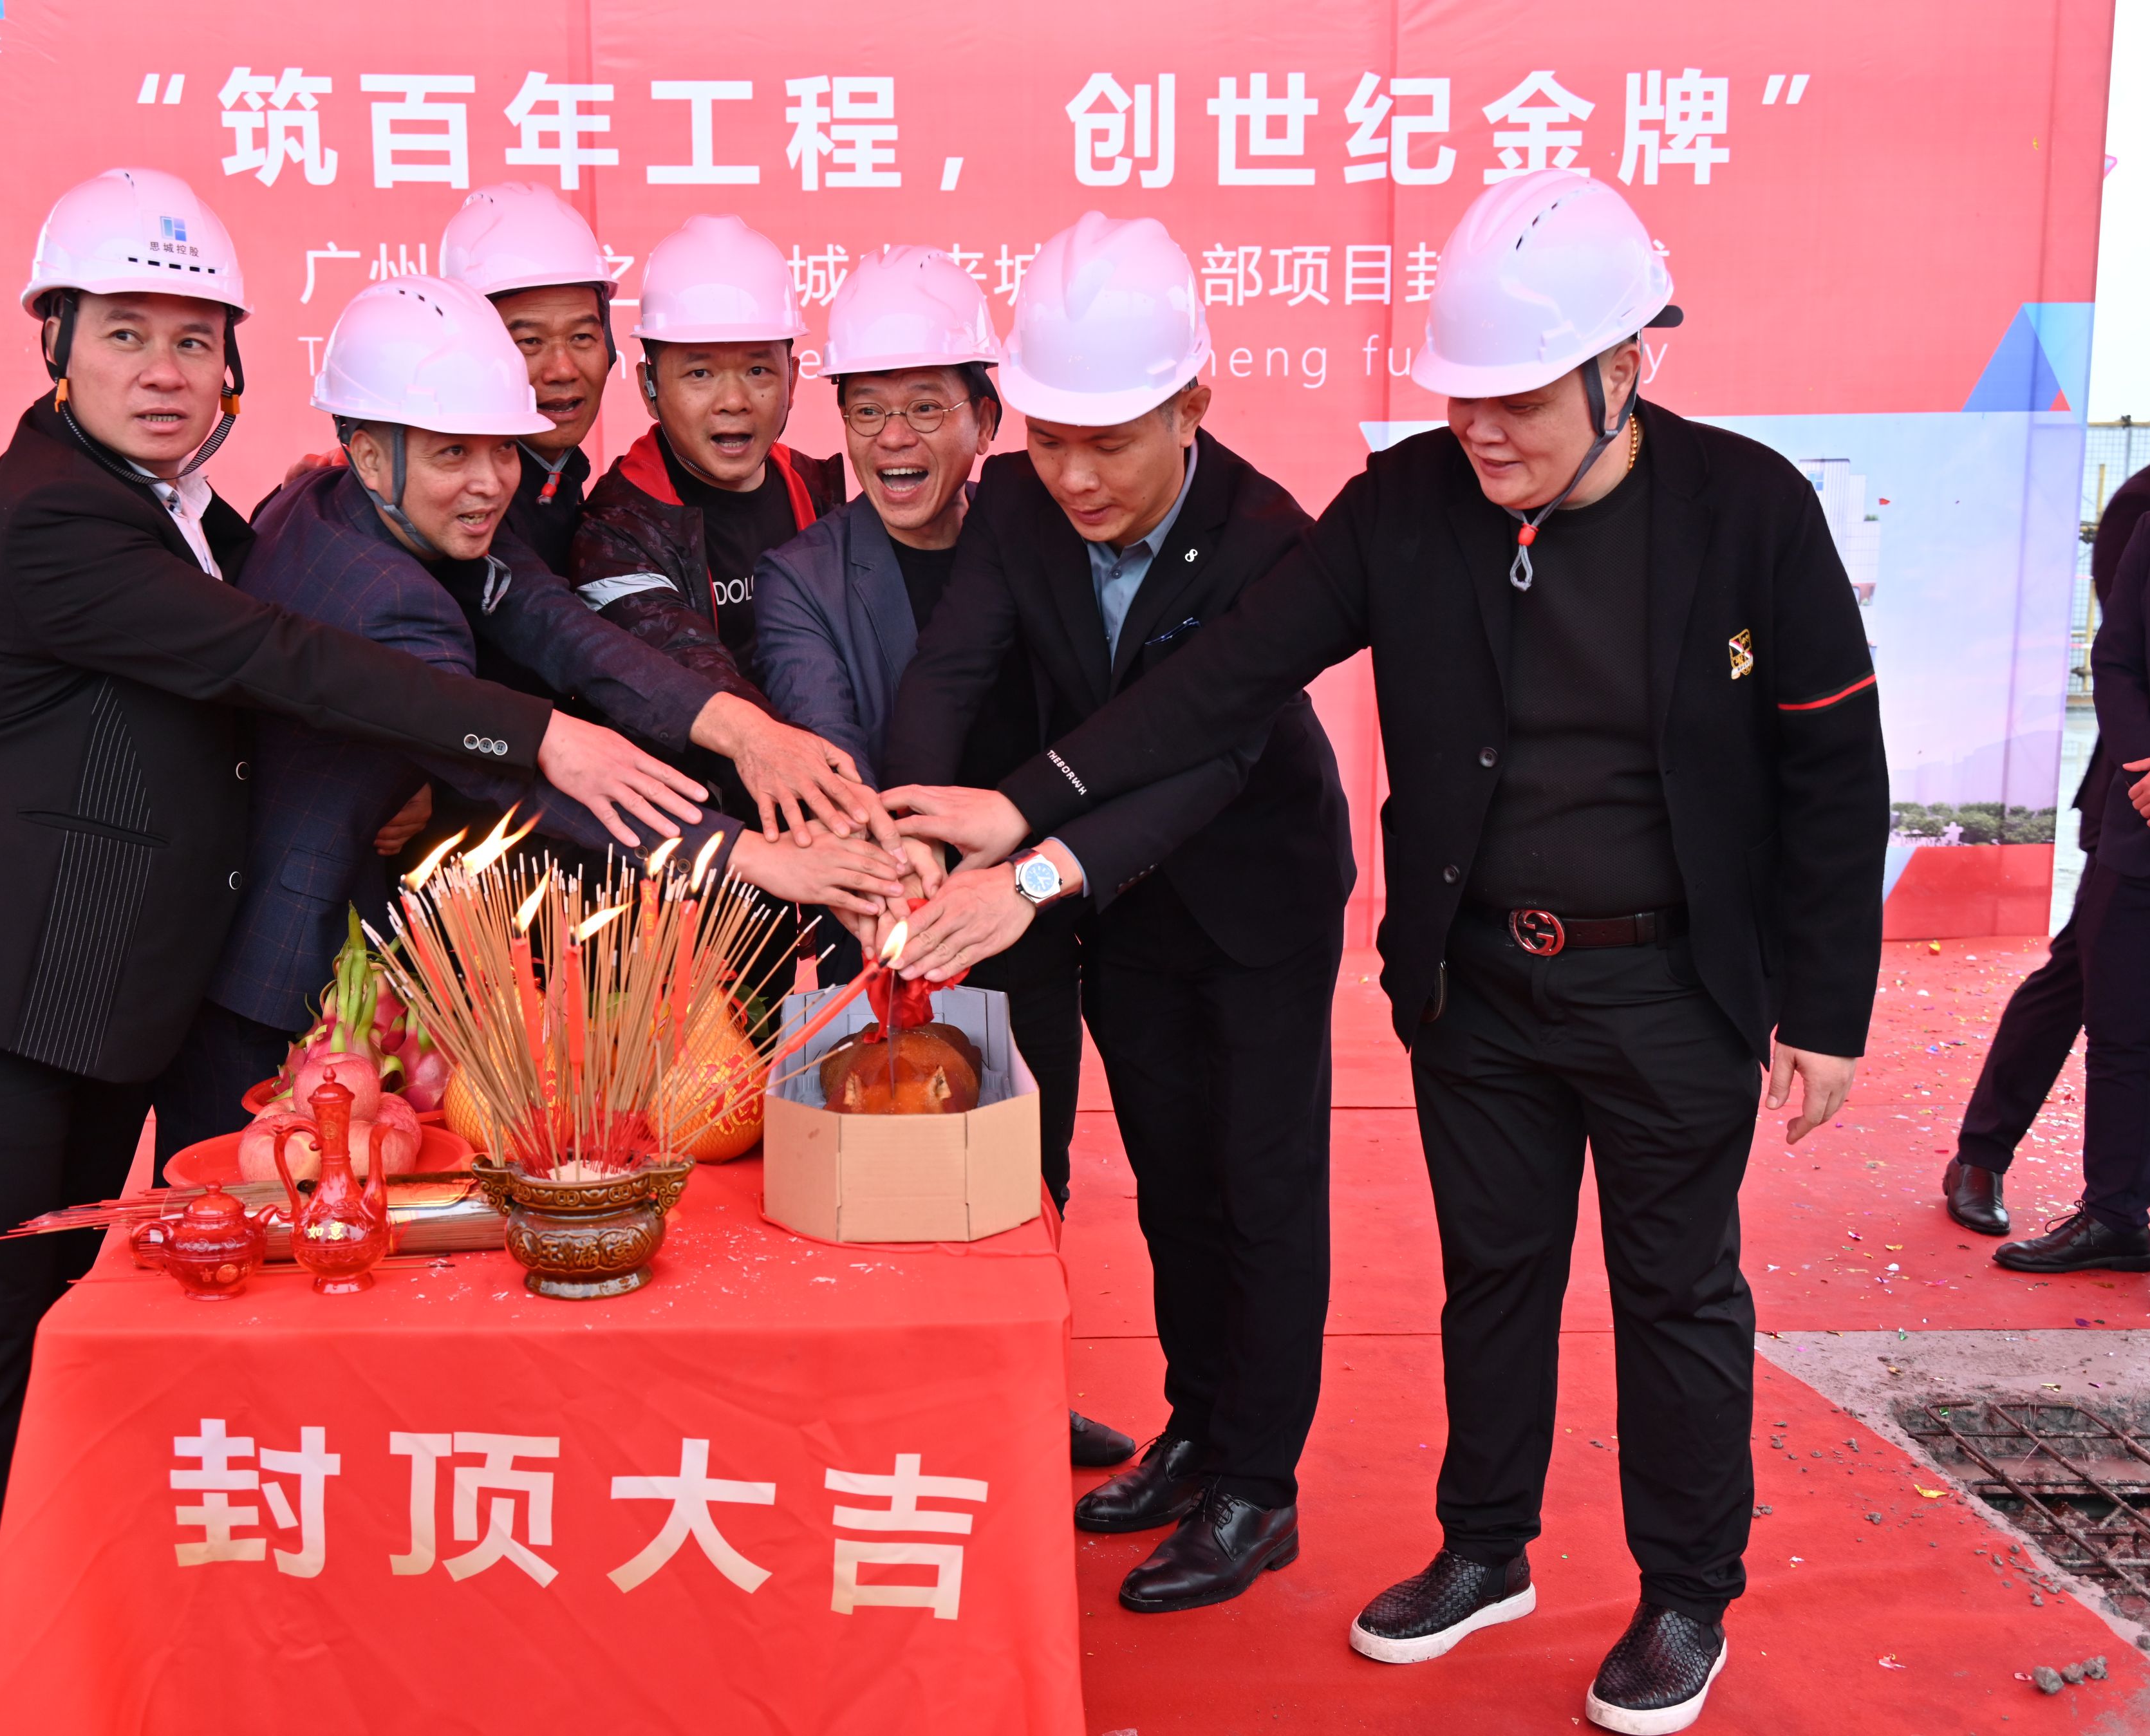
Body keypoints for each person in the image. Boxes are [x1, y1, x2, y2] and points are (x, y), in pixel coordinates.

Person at [939, 175, 1886, 1731]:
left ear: (1622, 368)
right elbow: (1226, 679)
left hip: (1670, 986)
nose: (1483, 433)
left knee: (1674, 1291)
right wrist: (1026, 803)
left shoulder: (1747, 509)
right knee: (1490, 1274)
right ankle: (1483, 1548)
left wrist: (1827, 1006)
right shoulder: (1403, 509)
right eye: (1462, 399)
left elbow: (1831, 766)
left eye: (1519, 402)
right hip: (1477, 980)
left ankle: (1682, 1593)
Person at [0, 167, 709, 1668]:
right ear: (56, 346)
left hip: (116, 977)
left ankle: (76, 1559)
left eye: (193, 343)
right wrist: (546, 739)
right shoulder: (56, 517)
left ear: (235, 367)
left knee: (87, 1296)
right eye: (126, 336)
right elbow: (278, 658)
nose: (164, 373)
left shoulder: (197, 504)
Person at [877, 213, 1356, 1614]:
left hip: (1252, 889)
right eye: (1050, 439)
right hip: (1119, 897)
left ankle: (1259, 1485)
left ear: (1192, 404)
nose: (1075, 476)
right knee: (1172, 1177)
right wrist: (908, 833)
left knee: (1262, 1185)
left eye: (1111, 444)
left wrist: (1029, 867)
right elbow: (949, 671)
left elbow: (1208, 761)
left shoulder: (1271, 539)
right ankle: (1197, 1429)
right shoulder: (1017, 505)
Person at [162, 275, 910, 1143]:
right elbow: (529, 778)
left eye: (502, 450)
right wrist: (753, 857)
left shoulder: (354, 504)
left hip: (308, 947)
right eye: (452, 454)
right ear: (367, 454)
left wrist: (742, 731)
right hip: (286, 981)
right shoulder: (386, 600)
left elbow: (560, 625)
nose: (488, 484)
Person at [751, 245, 1133, 1472]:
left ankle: (1019, 1401)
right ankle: (883, 1426)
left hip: (1031, 916)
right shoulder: (803, 577)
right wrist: (894, 879)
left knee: (1033, 1159)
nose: (894, 438)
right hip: (877, 919)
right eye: (867, 410)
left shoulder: (1051, 536)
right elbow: (829, 751)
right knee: (877, 1167)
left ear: (986, 416)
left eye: (925, 406)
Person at [1945, 318, 2150, 1235]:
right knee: (2088, 982)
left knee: (2090, 982)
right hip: (2139, 799)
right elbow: (2127, 657)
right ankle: (1987, 1153)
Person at [572, 214, 843, 716]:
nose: (733, 401)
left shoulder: (823, 494)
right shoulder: (614, 532)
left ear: (792, 380)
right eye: (700, 373)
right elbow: (689, 682)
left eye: (757, 369)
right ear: (649, 388)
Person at [440, 182, 616, 575]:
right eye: (529, 342)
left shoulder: (565, 477)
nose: (563, 370)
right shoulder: (456, 500)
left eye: (582, 337)